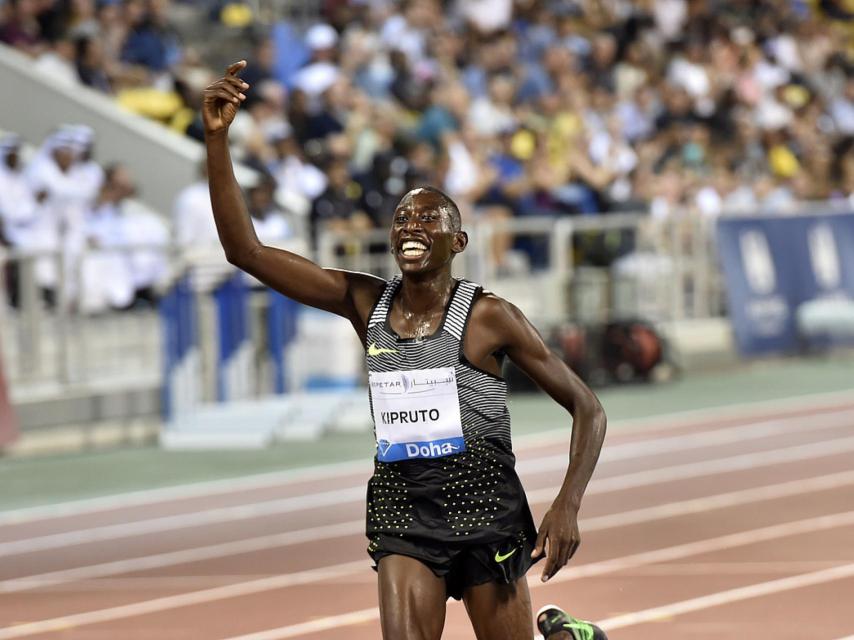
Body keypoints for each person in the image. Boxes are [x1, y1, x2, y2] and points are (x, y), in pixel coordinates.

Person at [203, 61, 607, 640]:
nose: (410, 226)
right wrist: (217, 140)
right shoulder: (363, 300)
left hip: (485, 511)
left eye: (427, 218)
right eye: (401, 218)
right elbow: (245, 250)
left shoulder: (489, 317)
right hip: (403, 512)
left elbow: (588, 406)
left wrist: (567, 504)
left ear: (458, 241)